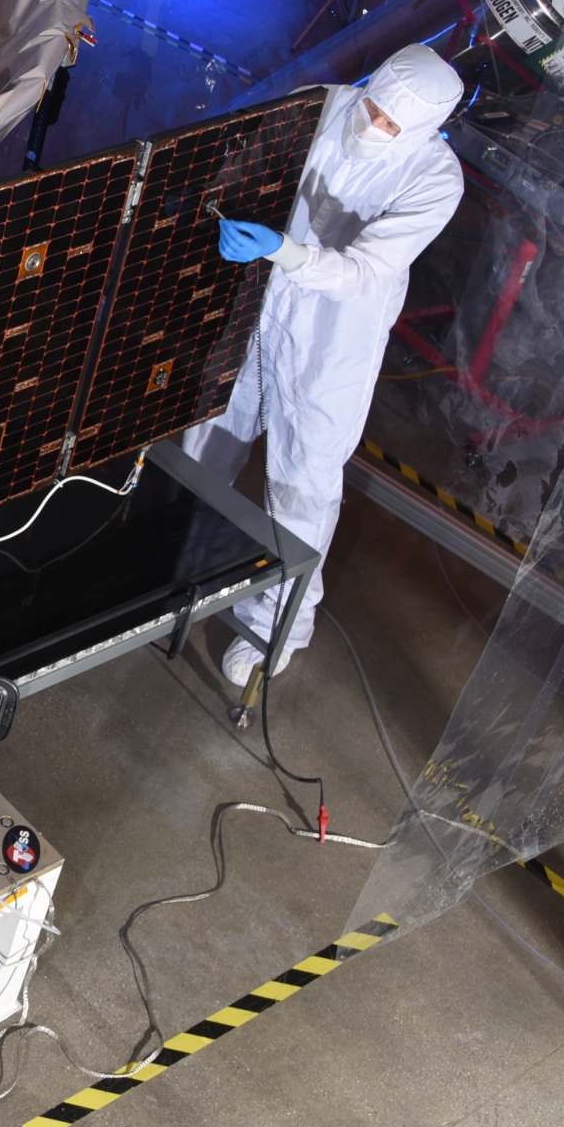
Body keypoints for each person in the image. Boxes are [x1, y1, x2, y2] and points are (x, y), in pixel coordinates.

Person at [183, 43, 467, 690]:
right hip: (260, 313)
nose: (371, 125)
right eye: (371, 107)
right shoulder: (325, 106)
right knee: (207, 443)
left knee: (302, 484)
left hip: (332, 342)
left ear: (421, 130)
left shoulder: (434, 178)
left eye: (392, 124)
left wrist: (284, 249)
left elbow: (366, 269)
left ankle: (280, 621)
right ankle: (182, 566)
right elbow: (250, 166)